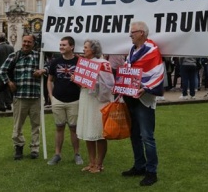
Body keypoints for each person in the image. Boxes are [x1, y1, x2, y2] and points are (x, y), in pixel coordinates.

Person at [121, 21, 164, 187]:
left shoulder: (152, 50)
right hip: (131, 97)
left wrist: (145, 88)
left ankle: (151, 172)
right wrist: (121, 86)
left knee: (147, 137)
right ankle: (139, 165)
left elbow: (157, 73)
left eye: (132, 32)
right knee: (135, 134)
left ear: (141, 33)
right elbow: (128, 69)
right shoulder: (133, 50)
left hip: (144, 98)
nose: (130, 35)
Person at [0, 34, 45, 160]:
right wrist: (9, 82)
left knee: (36, 125)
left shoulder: (38, 56)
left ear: (34, 44)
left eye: (29, 42)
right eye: (24, 41)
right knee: (18, 125)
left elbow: (48, 67)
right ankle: (18, 146)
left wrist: (42, 71)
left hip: (35, 96)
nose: (26, 44)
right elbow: (1, 71)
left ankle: (35, 148)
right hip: (20, 96)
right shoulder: (14, 55)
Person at [77, 39, 115, 173]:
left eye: (86, 47)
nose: (83, 49)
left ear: (93, 50)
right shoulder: (84, 63)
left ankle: (99, 164)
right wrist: (77, 79)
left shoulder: (104, 64)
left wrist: (93, 84)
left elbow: (109, 84)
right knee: (88, 131)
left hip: (99, 100)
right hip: (86, 97)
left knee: (99, 132)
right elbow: (82, 82)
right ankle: (91, 163)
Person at [46, 36, 83, 166]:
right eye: (60, 45)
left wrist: (77, 80)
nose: (61, 47)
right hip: (58, 99)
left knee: (74, 128)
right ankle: (57, 154)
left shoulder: (79, 62)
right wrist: (51, 96)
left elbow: (84, 84)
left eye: (64, 45)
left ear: (72, 47)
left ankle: (77, 154)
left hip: (74, 100)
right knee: (59, 127)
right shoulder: (55, 62)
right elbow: (50, 80)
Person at [0, 32, 14, 112]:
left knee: (0, 89)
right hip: (9, 70)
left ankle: (1, 105)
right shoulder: (11, 47)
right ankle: (8, 104)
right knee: (8, 88)